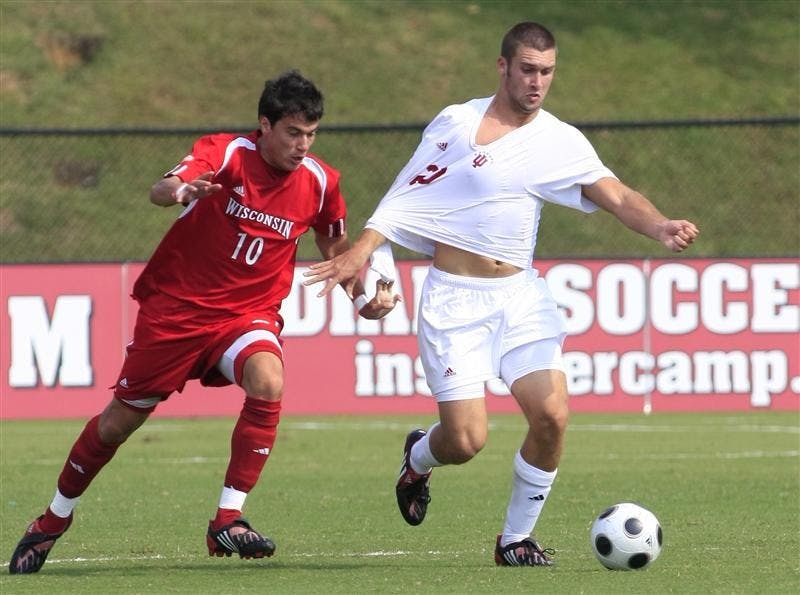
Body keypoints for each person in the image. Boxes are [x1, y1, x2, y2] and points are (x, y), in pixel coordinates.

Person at [303, 22, 699, 567]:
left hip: (519, 297)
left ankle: (515, 539)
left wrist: (657, 226)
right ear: (503, 67)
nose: (538, 82)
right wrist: (362, 253)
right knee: (465, 442)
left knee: (552, 415)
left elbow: (618, 194)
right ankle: (419, 456)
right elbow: (404, 200)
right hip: (454, 301)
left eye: (548, 72)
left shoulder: (558, 140)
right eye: (528, 70)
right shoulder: (456, 123)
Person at [9, 70, 397, 575]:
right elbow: (161, 187)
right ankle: (53, 520)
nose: (303, 145)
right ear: (265, 125)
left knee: (269, 377)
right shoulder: (228, 153)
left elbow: (334, 247)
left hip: (246, 314)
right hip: (177, 310)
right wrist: (179, 192)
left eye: (311, 134)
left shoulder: (321, 182)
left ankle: (228, 518)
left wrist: (362, 297)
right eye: (292, 133)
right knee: (117, 424)